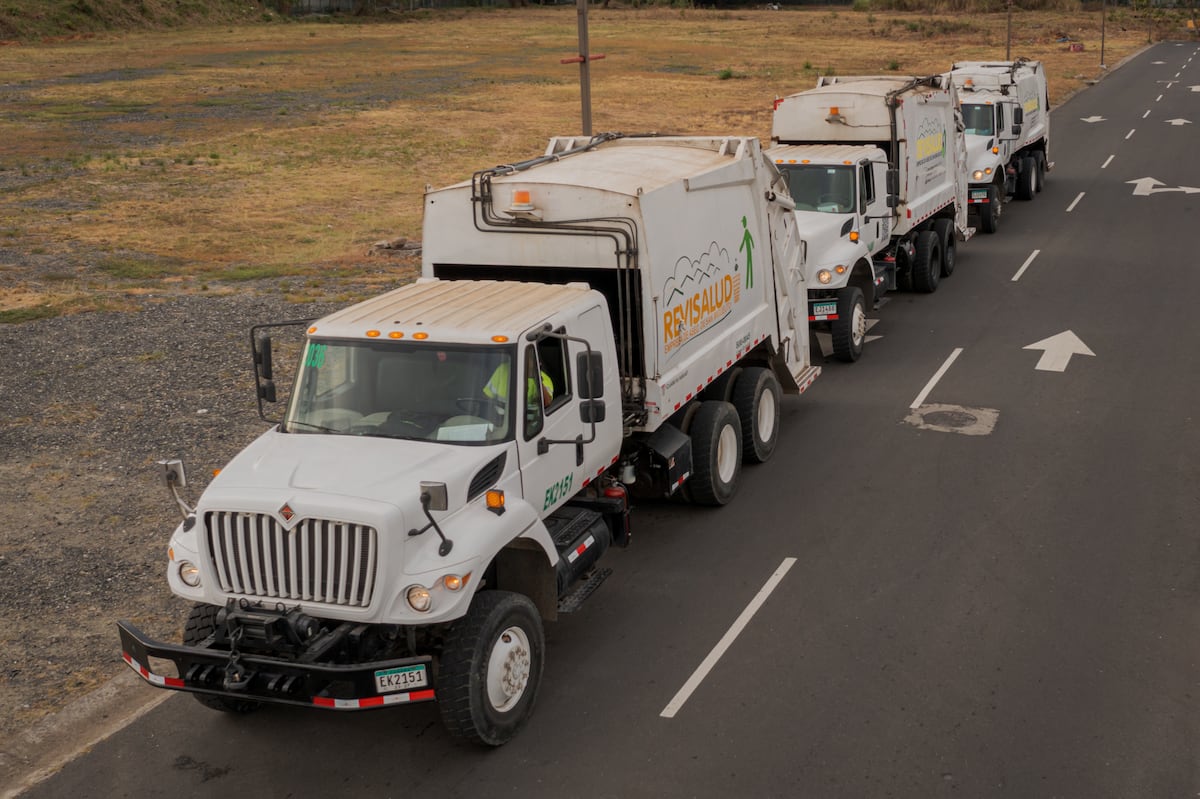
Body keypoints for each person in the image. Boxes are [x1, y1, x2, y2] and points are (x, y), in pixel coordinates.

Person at [483, 361, 553, 409]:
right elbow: (486, 396)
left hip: (529, 422)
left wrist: (538, 379)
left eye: (531, 359)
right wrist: (497, 405)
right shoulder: (503, 369)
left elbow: (546, 403)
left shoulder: (544, 379)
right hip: (500, 419)